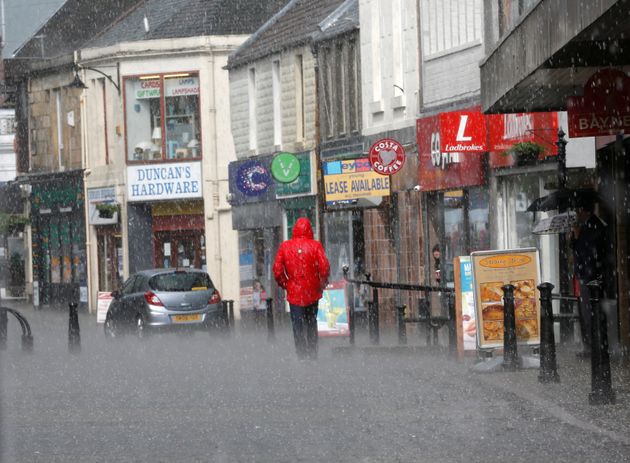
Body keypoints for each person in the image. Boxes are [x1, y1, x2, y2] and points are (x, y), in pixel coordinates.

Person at [273, 217, 330, 360]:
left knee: (297, 324)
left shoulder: (285, 247)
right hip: (312, 291)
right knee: (311, 322)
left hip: (294, 293)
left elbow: (277, 270)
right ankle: (312, 353)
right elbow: (324, 268)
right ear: (309, 229)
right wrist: (320, 284)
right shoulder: (315, 246)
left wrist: (286, 284)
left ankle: (301, 355)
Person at [570, 200, 607, 355]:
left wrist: (577, 237)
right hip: (587, 275)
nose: (577, 214)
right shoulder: (588, 226)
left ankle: (593, 347)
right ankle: (592, 346)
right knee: (587, 312)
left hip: (590, 276)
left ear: (585, 211)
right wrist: (574, 237)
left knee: (589, 312)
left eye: (579, 211)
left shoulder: (593, 226)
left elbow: (586, 252)